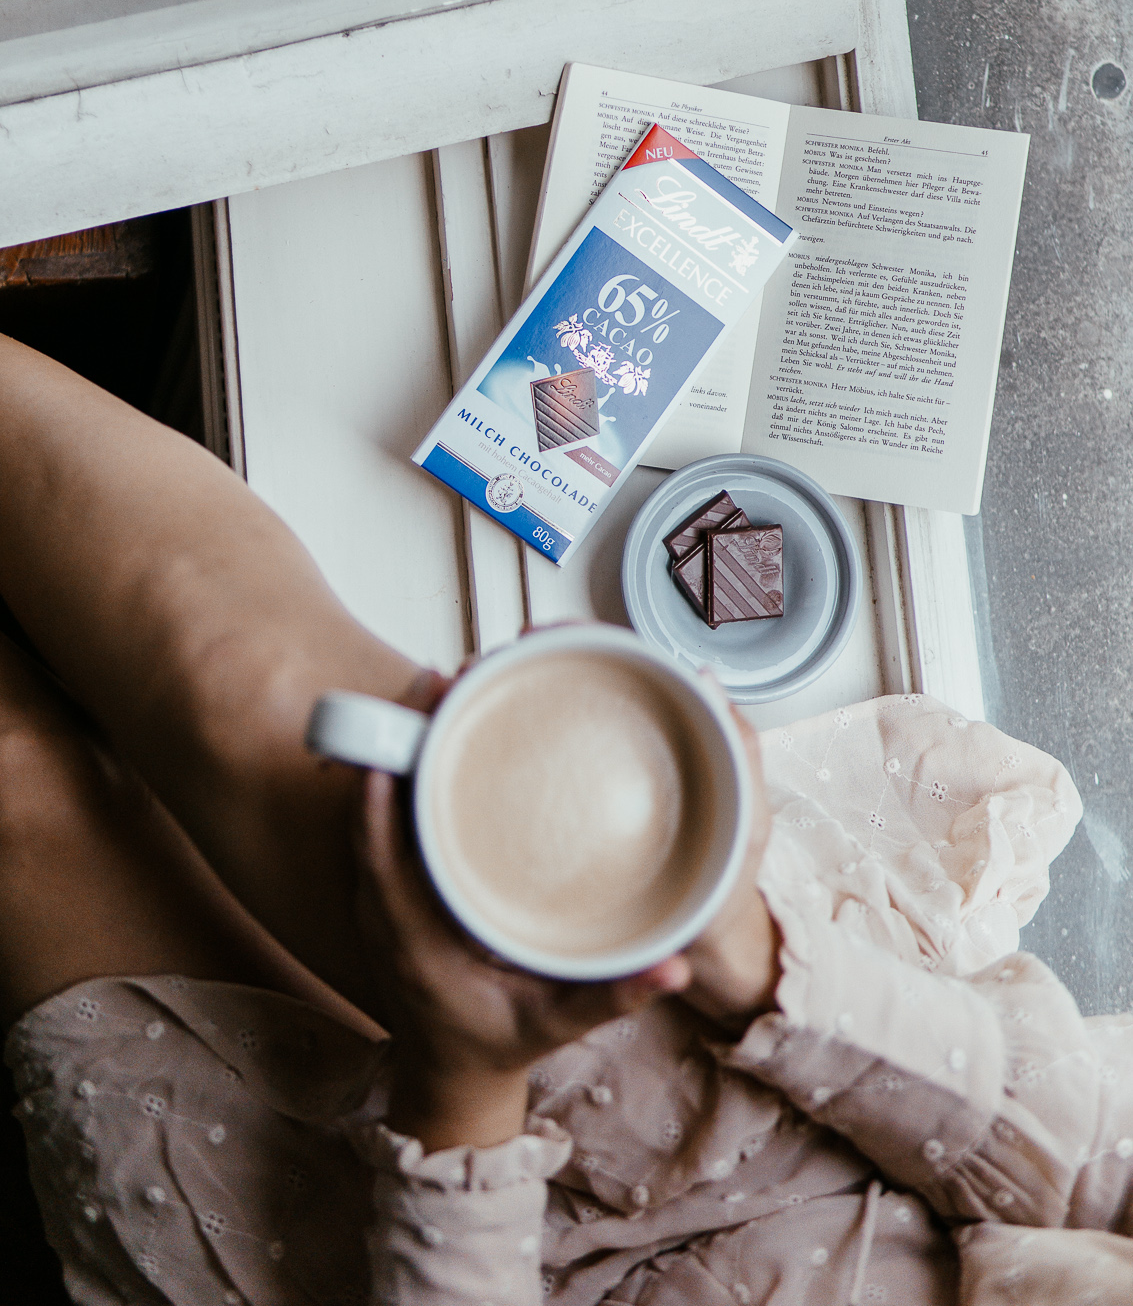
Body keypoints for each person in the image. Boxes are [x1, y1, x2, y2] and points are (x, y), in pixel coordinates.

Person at [1, 329, 1131, 1306]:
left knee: (25, 794)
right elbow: (1085, 1161)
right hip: (776, 1101)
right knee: (225, 672)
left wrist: (463, 1083)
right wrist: (762, 966)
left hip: (386, 1262)